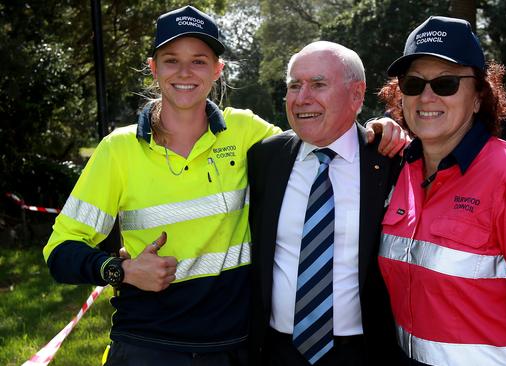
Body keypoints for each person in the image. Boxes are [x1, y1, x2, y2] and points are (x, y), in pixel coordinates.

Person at [43, 5, 284, 365]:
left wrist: (374, 129)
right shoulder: (118, 150)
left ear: (218, 70)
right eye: (171, 60)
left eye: (199, 61)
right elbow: (60, 251)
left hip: (233, 346)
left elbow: (313, 145)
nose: (185, 72)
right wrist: (120, 270)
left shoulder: (247, 130)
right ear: (153, 68)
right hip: (146, 346)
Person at [378, 16, 506, 365]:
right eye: (413, 84)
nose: (426, 96)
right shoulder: (400, 169)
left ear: (478, 97)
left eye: (445, 84)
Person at [247, 41, 402, 366]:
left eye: (318, 84)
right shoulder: (265, 159)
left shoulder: (390, 162)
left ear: (357, 95)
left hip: (363, 353)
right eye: (294, 85)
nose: (302, 98)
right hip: (275, 352)